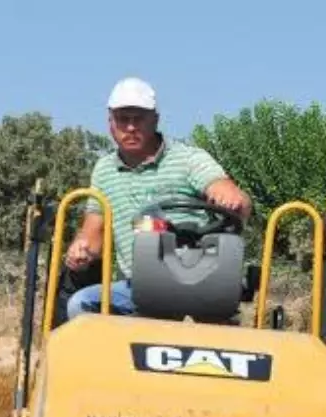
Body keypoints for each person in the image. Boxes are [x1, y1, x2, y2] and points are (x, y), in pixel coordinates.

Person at [63, 77, 252, 320]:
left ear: (155, 119)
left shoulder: (189, 159)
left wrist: (230, 197)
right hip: (137, 287)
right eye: (123, 119)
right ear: (110, 122)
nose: (131, 127)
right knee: (81, 304)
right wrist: (81, 250)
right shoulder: (103, 170)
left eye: (138, 118)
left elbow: (236, 199)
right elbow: (93, 236)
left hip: (202, 285)